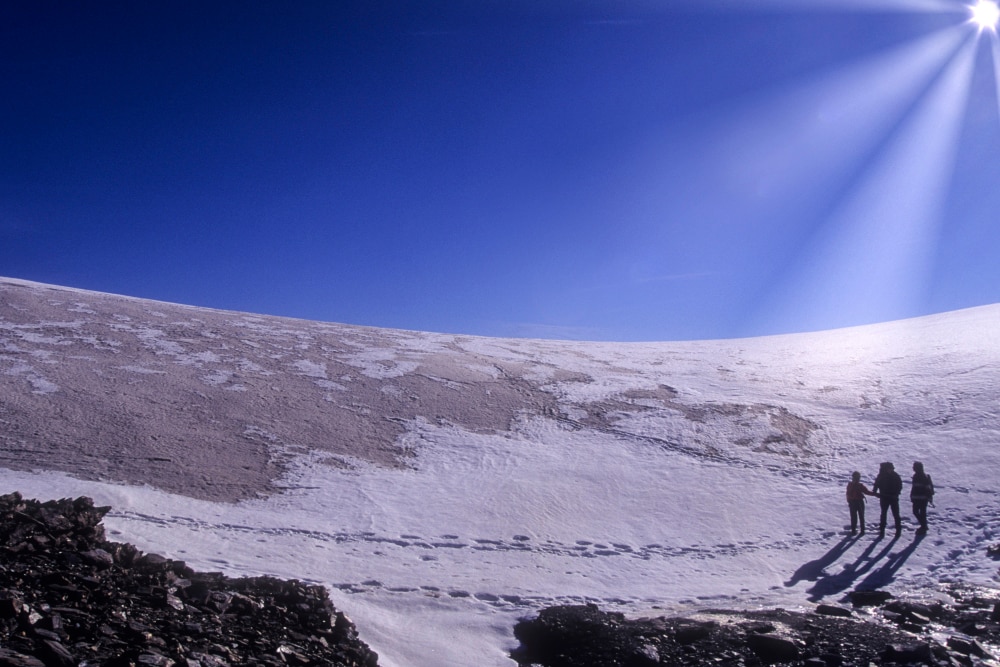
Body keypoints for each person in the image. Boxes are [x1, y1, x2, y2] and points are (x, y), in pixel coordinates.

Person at [871, 461, 903, 537]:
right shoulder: (882, 475)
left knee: (895, 514)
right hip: (884, 497)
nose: (891, 470)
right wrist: (875, 492)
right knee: (884, 514)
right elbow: (876, 485)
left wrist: (897, 493)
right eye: (890, 468)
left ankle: (898, 531)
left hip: (893, 498)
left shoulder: (895, 475)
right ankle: (882, 531)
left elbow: (900, 485)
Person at [846, 471, 877, 535]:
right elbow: (867, 492)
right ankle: (862, 531)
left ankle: (853, 530)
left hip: (852, 502)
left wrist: (849, 501)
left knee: (853, 517)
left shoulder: (850, 485)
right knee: (861, 516)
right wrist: (876, 494)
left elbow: (847, 494)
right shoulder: (860, 485)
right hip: (859, 502)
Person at [910, 461, 934, 533]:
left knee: (919, 512)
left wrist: (929, 497)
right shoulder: (916, 476)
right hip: (917, 498)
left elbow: (928, 488)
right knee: (918, 512)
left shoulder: (923, 476)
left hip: (922, 498)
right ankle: (924, 525)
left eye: (914, 467)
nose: (913, 468)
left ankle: (924, 526)